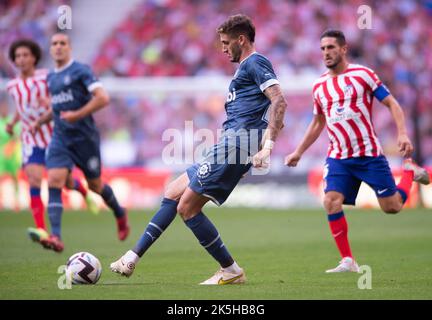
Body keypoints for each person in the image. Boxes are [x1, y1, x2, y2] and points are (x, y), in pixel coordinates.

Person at [110, 14, 287, 285]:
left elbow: (279, 101)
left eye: (227, 42)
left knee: (187, 209)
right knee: (172, 193)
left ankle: (230, 269)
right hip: (230, 146)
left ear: (242, 39)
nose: (224, 48)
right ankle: (131, 257)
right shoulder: (244, 69)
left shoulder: (256, 62)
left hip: (234, 146)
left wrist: (267, 146)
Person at [285, 29, 430, 273]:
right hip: (339, 157)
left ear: (343, 49)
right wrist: (298, 151)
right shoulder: (319, 85)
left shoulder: (363, 75)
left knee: (392, 207)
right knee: (331, 201)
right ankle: (348, 261)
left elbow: (391, 103)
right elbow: (318, 122)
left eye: (331, 47)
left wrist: (402, 133)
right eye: (322, 49)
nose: (326, 53)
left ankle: (408, 171)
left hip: (369, 154)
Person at [34, 32, 130, 252]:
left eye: (62, 43)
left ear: (69, 48)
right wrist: (42, 120)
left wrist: (77, 115)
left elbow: (103, 98)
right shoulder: (51, 78)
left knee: (95, 185)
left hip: (85, 139)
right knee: (55, 180)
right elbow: (58, 109)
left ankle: (119, 212)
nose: (58, 47)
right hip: (60, 138)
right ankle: (55, 236)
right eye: (54, 44)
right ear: (50, 49)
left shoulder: (81, 70)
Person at [5, 39, 99, 244]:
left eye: (25, 55)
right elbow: (22, 109)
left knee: (64, 182)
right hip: (31, 139)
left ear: (34, 57)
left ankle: (83, 191)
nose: (21, 60)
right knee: (34, 179)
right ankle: (41, 229)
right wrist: (12, 123)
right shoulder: (12, 86)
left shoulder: (47, 78)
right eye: (18, 56)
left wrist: (48, 103)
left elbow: (59, 100)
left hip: (53, 135)